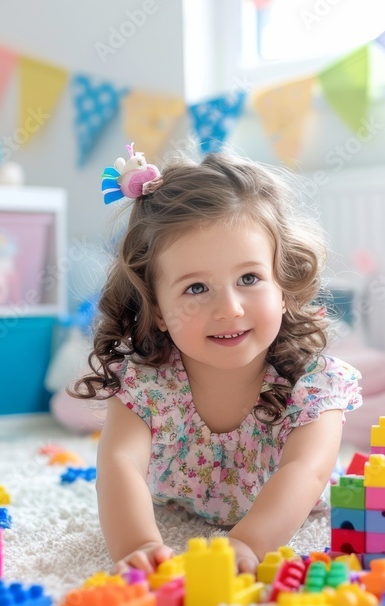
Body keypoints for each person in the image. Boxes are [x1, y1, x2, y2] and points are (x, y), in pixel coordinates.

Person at [73, 148, 362, 574]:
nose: (229, 308)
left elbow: (307, 469)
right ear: (156, 310)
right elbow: (119, 463)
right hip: (175, 507)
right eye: (195, 289)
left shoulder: (312, 383)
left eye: (249, 279)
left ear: (282, 284)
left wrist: (248, 543)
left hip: (286, 512)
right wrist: (138, 545)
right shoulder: (146, 381)